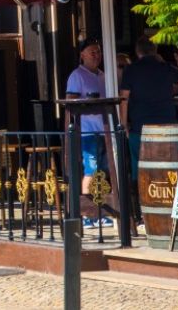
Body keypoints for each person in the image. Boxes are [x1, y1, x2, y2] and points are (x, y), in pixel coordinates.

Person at [120, 37, 178, 180]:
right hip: (167, 127)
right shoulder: (165, 67)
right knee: (168, 168)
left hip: (140, 127)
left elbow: (124, 98)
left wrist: (124, 124)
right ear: (155, 51)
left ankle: (140, 201)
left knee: (140, 170)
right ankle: (165, 199)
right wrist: (173, 90)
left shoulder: (130, 70)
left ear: (137, 52)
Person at [65, 37, 112, 228]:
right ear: (82, 55)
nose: (96, 55)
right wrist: (88, 104)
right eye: (92, 52)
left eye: (98, 52)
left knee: (103, 172)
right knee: (91, 170)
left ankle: (101, 211)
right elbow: (70, 101)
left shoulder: (102, 75)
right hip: (87, 131)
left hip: (104, 130)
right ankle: (87, 214)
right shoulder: (77, 75)